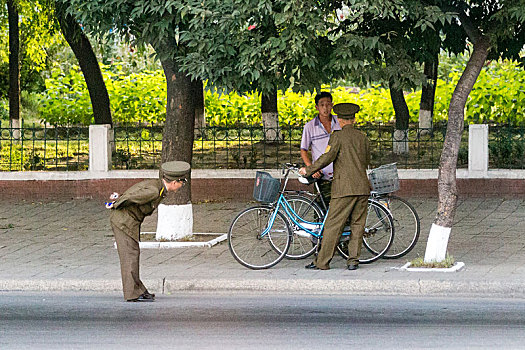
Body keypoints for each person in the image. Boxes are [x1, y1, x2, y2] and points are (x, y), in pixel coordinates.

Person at [299, 103, 370, 271]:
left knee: (332, 225)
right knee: (357, 224)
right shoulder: (362, 137)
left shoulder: (337, 137)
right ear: (354, 119)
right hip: (362, 187)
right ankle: (353, 261)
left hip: (343, 188)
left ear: (339, 119)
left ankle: (322, 262)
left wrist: (308, 170)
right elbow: (367, 160)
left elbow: (327, 158)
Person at [108, 160, 190, 301]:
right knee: (129, 256)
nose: (181, 186)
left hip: (129, 221)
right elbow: (132, 196)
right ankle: (132, 294)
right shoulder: (154, 191)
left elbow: (134, 191)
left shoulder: (157, 186)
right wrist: (115, 204)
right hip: (123, 222)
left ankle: (139, 290)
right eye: (182, 183)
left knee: (133, 254)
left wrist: (117, 199)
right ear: (175, 182)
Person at [300, 91, 341, 207]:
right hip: (322, 174)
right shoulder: (310, 127)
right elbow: (303, 150)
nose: (325, 108)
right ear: (317, 107)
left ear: (332, 105)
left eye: (328, 104)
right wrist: (311, 168)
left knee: (340, 210)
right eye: (322, 105)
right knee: (320, 210)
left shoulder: (339, 122)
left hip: (340, 174)